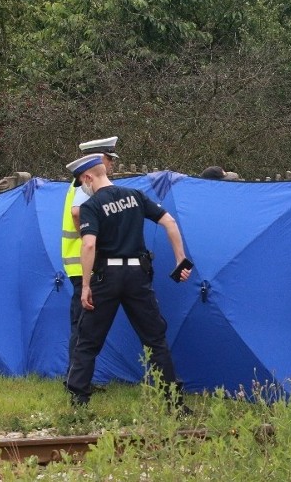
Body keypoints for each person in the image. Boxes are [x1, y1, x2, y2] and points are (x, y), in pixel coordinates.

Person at [64, 153, 193, 408]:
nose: (83, 187)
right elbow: (169, 222)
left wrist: (86, 286)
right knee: (155, 340)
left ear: (88, 177)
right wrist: (181, 261)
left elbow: (89, 244)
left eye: (82, 181)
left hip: (107, 277)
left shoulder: (91, 206)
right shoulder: (135, 196)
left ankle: (78, 402)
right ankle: (175, 403)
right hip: (138, 276)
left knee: (88, 340)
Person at [61, 137, 120, 377]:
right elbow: (77, 214)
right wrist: (91, 238)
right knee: (84, 327)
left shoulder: (78, 183)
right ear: (98, 159)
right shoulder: (87, 184)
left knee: (82, 326)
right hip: (85, 265)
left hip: (79, 265)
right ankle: (75, 380)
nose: (112, 165)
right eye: (109, 159)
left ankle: (76, 378)